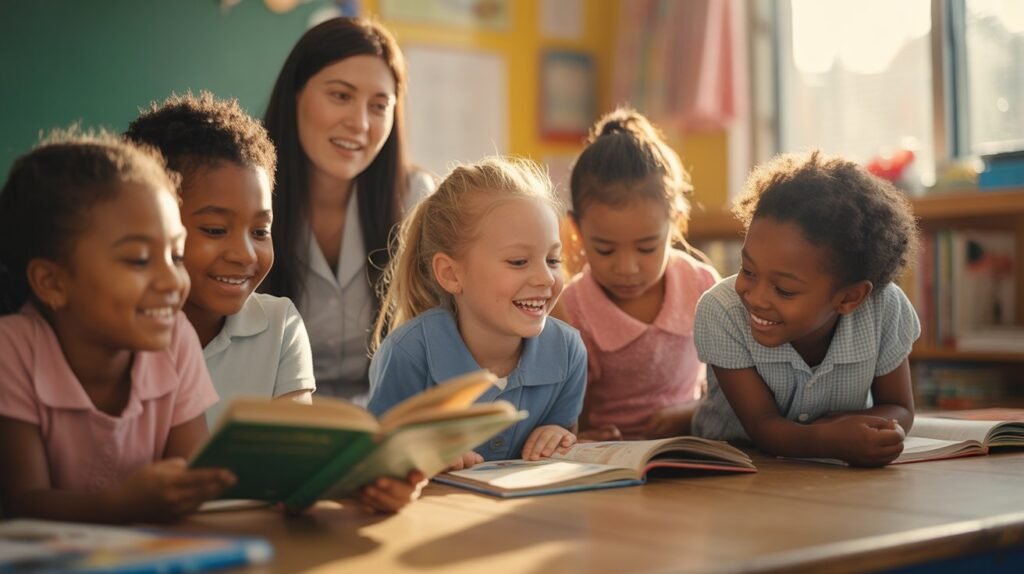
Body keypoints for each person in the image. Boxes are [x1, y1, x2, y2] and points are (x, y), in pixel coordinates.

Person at [126, 91, 422, 514]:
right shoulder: (116, 334)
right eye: (214, 230)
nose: (244, 254)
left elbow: (295, 468)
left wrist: (366, 481)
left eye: (260, 231)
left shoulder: (280, 324)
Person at [0, 131, 235, 522]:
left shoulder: (176, 339)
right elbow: (22, 505)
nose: (172, 280)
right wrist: (121, 506)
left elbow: (193, 485)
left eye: (176, 255)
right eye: (139, 260)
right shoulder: (12, 350)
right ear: (52, 282)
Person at [692, 151, 921, 467]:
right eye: (748, 270)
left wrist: (882, 434)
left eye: (784, 290)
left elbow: (900, 408)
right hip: (732, 465)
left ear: (849, 298)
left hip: (830, 476)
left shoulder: (885, 308)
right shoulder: (722, 310)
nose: (756, 297)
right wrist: (831, 438)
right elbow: (763, 427)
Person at [367, 157, 586, 468]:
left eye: (553, 260)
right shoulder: (408, 354)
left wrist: (556, 434)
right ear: (451, 274)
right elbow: (376, 457)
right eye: (518, 262)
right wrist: (424, 457)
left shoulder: (568, 351)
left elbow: (565, 431)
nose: (546, 279)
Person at [262, 17, 435, 403]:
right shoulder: (245, 195)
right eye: (341, 96)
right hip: (277, 415)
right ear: (295, 94)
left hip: (383, 415)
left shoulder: (415, 198)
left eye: (379, 106)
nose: (360, 123)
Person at [555, 108, 719, 441]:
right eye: (605, 249)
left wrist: (691, 413)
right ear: (576, 231)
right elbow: (566, 416)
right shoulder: (572, 309)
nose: (627, 268)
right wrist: (583, 438)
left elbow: (730, 390)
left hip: (691, 444)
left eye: (646, 248)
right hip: (608, 458)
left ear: (676, 222)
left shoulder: (702, 286)